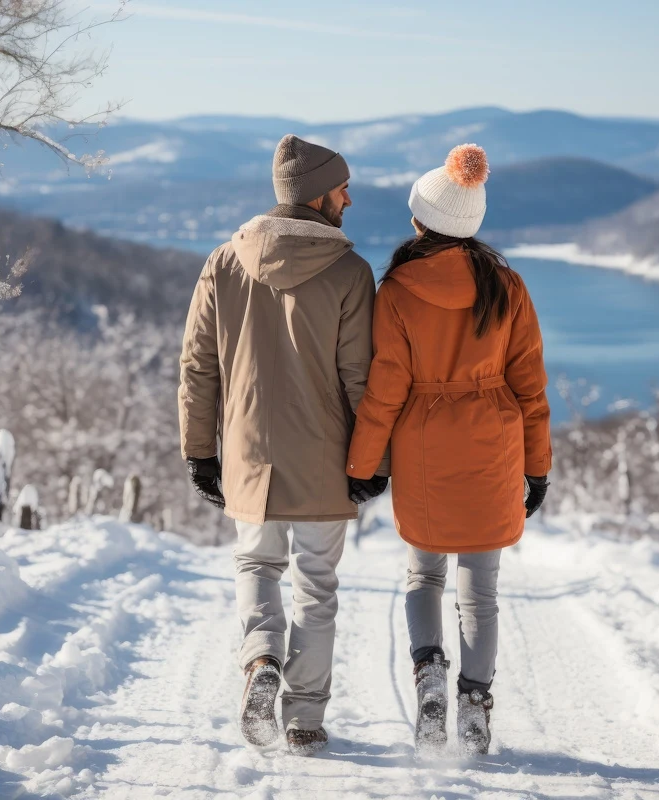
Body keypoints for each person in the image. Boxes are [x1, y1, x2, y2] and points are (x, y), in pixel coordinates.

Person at [178, 134, 389, 756]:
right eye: (342, 188)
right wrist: (372, 461)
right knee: (316, 585)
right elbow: (361, 379)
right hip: (326, 457)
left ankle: (261, 658)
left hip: (248, 453)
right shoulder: (350, 271)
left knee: (256, 565)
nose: (349, 198)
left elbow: (197, 367)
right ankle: (303, 719)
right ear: (318, 194)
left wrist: (199, 451)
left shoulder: (224, 261)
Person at [345, 143, 551, 756]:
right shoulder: (507, 285)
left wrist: (362, 467)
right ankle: (475, 703)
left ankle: (428, 672)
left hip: (424, 446)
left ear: (421, 220)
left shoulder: (399, 290)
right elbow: (531, 388)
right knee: (480, 590)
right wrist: (537, 467)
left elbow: (385, 389)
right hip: (493, 444)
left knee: (423, 572)